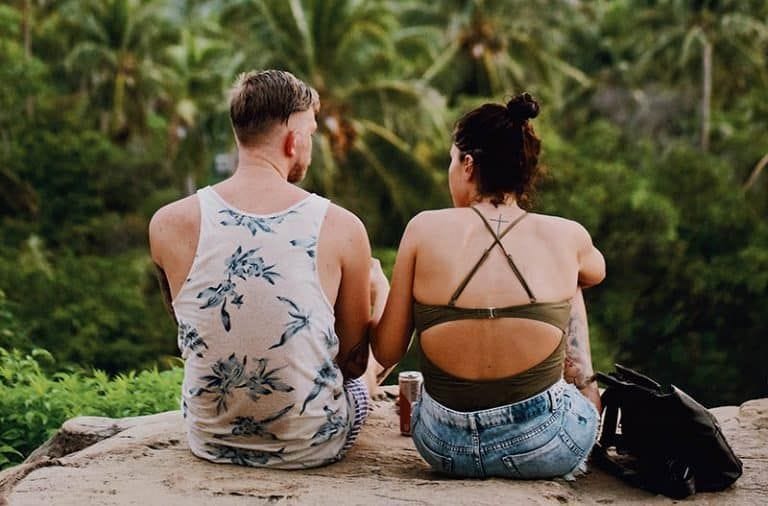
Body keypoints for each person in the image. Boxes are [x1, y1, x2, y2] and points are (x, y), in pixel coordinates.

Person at [369, 92, 605, 479]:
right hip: (546, 445)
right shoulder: (566, 234)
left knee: (568, 275)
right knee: (572, 279)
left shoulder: (422, 229)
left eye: (450, 160)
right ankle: (588, 391)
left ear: (467, 164)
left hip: (443, 445)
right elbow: (596, 271)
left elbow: (388, 349)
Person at [149, 69, 377, 469]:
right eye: (310, 132)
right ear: (294, 140)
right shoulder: (341, 227)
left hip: (209, 439)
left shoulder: (168, 223)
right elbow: (352, 364)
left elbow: (192, 332)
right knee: (371, 301)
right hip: (310, 446)